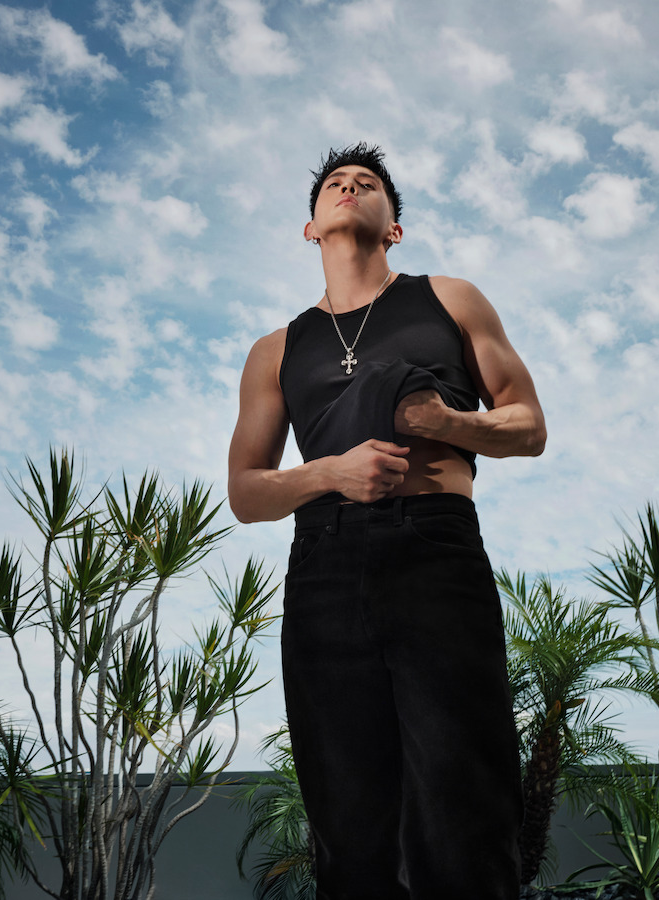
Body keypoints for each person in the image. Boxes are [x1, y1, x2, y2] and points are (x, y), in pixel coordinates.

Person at [227, 142, 547, 899]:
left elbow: (529, 426)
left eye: (367, 183)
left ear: (394, 228)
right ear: (311, 228)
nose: (349, 187)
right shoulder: (276, 350)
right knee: (347, 815)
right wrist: (327, 474)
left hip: (435, 549)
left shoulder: (450, 299)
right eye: (335, 184)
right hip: (324, 564)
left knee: (465, 799)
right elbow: (245, 492)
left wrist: (446, 421)